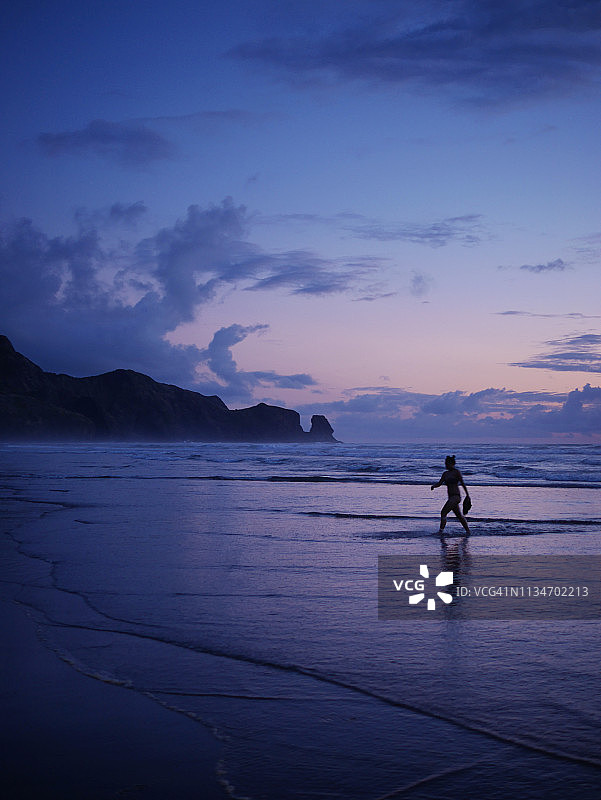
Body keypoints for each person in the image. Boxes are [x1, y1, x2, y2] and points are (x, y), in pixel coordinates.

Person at [431, 455, 471, 535]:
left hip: (456, 496)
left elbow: (462, 484)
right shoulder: (445, 474)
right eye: (445, 464)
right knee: (459, 516)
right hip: (451, 497)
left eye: (447, 464)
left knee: (443, 512)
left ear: (452, 464)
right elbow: (440, 483)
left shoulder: (456, 472)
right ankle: (468, 531)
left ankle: (441, 532)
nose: (446, 465)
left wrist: (468, 495)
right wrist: (434, 486)